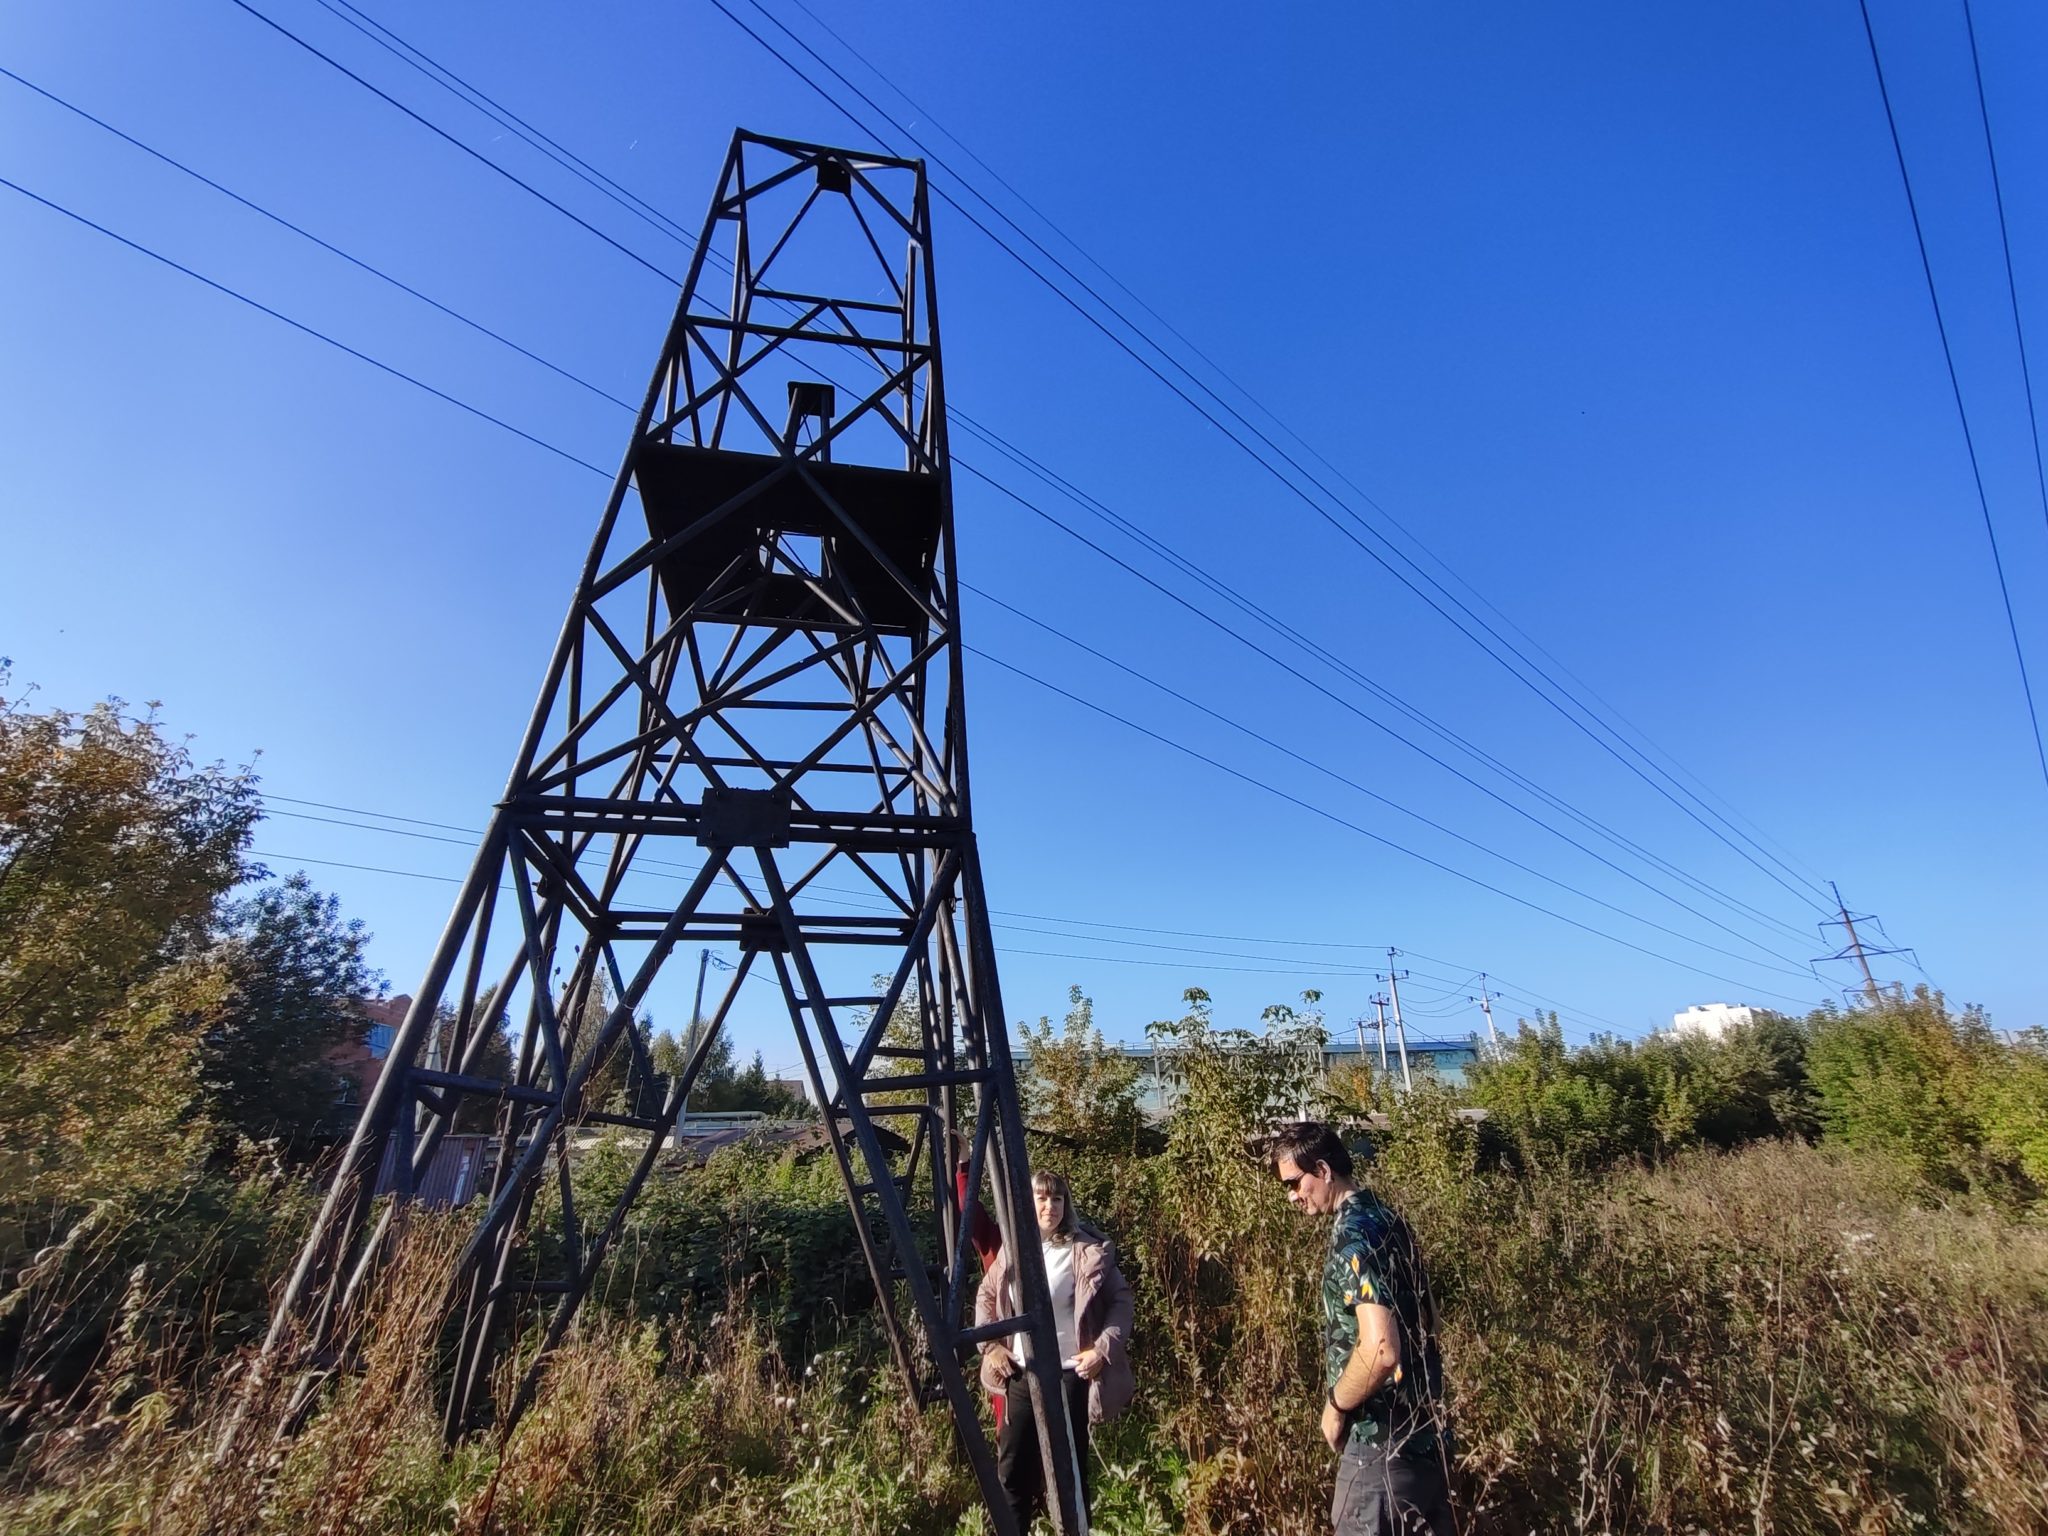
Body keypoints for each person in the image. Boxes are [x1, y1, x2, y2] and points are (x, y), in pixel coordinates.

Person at [1270, 1122, 1453, 1536]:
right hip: (1424, 1437)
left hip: (1380, 1445)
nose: (1292, 1196)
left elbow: (1381, 1349)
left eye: (1295, 1183)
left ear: (1323, 1169)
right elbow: (1431, 1320)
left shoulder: (1353, 1236)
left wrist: (1335, 1408)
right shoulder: (1389, 1219)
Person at [975, 1169, 1134, 1529]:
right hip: (1020, 1373)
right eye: (1042, 1198)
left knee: (1068, 1475)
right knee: (1013, 1472)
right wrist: (992, 1348)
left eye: (1057, 1198)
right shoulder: (1014, 1249)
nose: (1050, 1206)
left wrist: (1101, 1350)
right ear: (1028, 1204)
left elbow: (1121, 1302)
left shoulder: (1086, 1250)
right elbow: (986, 1296)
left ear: (1066, 1204)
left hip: (1068, 1375)